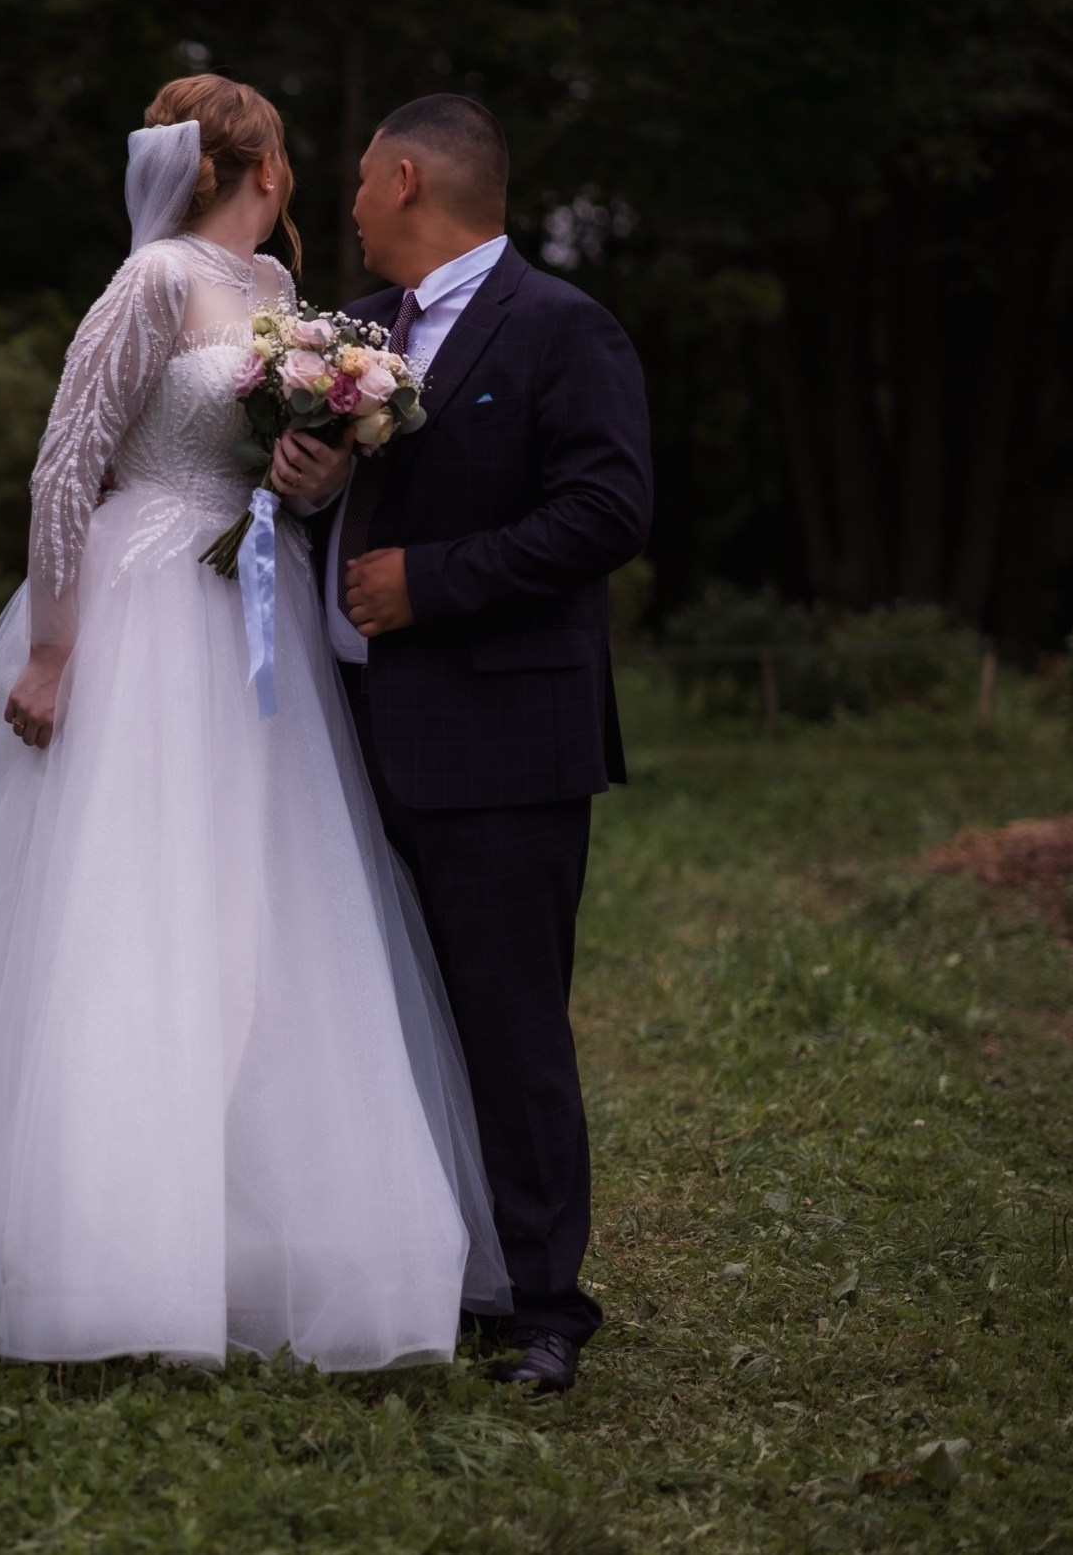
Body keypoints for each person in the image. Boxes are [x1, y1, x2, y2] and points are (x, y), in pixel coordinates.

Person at [0, 76, 510, 1370]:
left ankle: (247, 1227)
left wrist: (312, 468)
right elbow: (68, 460)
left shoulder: (285, 307)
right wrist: (58, 648)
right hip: (142, 607)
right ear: (269, 171)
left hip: (254, 607)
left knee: (259, 905)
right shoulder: (152, 283)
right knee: (132, 901)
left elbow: (289, 478)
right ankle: (107, 1241)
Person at [276, 94, 652, 1392]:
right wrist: (314, 491)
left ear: (403, 176)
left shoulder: (561, 328)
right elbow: (339, 482)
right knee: (391, 1015)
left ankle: (545, 1307)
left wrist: (427, 582)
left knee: (507, 1019)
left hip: (504, 733)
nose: (351, 209)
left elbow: (608, 507)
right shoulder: (356, 333)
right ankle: (433, 1267)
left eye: (361, 186)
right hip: (357, 730)